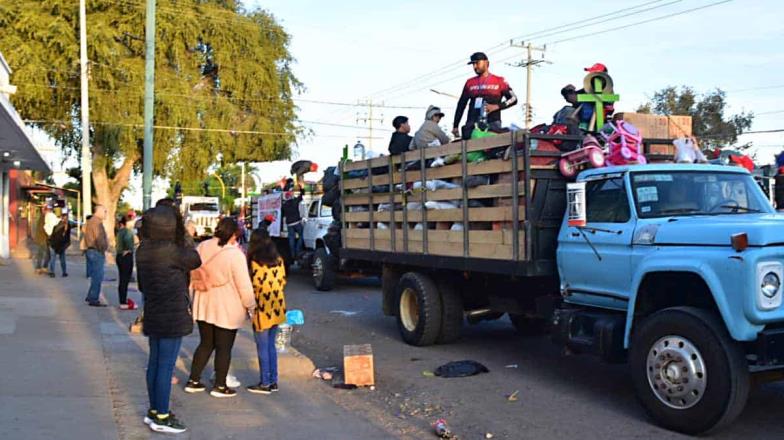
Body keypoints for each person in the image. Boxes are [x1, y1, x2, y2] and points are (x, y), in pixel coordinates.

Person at [136, 205, 201, 434]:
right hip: (172, 314)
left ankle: (154, 410)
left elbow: (143, 285)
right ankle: (162, 416)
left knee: (154, 363)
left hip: (154, 311)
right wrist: (185, 235)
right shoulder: (173, 250)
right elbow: (195, 260)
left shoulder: (143, 249)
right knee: (165, 366)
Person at [185, 217, 255, 398]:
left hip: (203, 303)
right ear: (234, 234)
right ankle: (220, 385)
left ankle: (193, 380)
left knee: (206, 343)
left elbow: (192, 275)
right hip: (226, 307)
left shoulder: (202, 247)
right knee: (224, 347)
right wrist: (251, 306)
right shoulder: (235, 254)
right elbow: (244, 285)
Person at [246, 229, 287, 394]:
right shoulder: (278, 260)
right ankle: (273, 381)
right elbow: (283, 281)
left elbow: (252, 286)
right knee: (271, 346)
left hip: (262, 308)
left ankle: (264, 383)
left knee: (262, 346)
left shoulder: (254, 262)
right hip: (277, 306)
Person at [452, 52, 518, 140]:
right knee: (470, 151)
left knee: (491, 150)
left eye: (477, 63)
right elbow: (461, 104)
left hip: (492, 123)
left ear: (486, 63)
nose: (475, 66)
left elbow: (513, 99)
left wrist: (497, 106)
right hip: (472, 124)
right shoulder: (469, 82)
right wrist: (455, 125)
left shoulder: (499, 81)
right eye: (473, 64)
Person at [84, 205, 109, 307]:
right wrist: (104, 249)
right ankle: (93, 298)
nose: (106, 213)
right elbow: (99, 239)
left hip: (91, 250)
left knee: (95, 275)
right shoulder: (96, 223)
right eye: (104, 211)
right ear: (98, 211)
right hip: (96, 251)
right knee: (98, 276)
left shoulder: (92, 221)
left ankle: (91, 295)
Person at [115, 214, 136, 310]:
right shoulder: (127, 232)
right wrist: (130, 248)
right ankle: (123, 301)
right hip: (126, 256)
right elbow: (128, 242)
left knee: (122, 279)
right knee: (125, 280)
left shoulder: (120, 231)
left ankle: (122, 299)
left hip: (119, 256)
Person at [281, 189, 304, 267]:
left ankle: (293, 254)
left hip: (289, 224)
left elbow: (282, 214)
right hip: (297, 222)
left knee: (291, 238)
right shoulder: (295, 201)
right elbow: (301, 196)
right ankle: (298, 251)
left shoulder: (284, 205)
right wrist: (301, 188)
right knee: (301, 235)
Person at [48, 210, 71, 277]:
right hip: (56, 244)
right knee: (61, 259)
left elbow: (53, 235)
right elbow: (64, 237)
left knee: (54, 259)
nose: (66, 220)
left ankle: (53, 272)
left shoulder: (59, 225)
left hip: (55, 244)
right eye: (65, 218)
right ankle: (63, 272)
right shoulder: (63, 226)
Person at [43, 206, 59, 277]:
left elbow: (45, 227)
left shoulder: (47, 217)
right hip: (53, 238)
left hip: (49, 237)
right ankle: (51, 271)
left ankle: (45, 266)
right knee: (52, 255)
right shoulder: (53, 217)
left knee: (49, 254)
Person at [33, 208, 49, 274]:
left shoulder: (41, 217)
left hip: (40, 239)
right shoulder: (44, 218)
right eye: (47, 211)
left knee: (40, 254)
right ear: (45, 211)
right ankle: (43, 267)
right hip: (43, 239)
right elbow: (44, 229)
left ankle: (38, 268)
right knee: (48, 254)